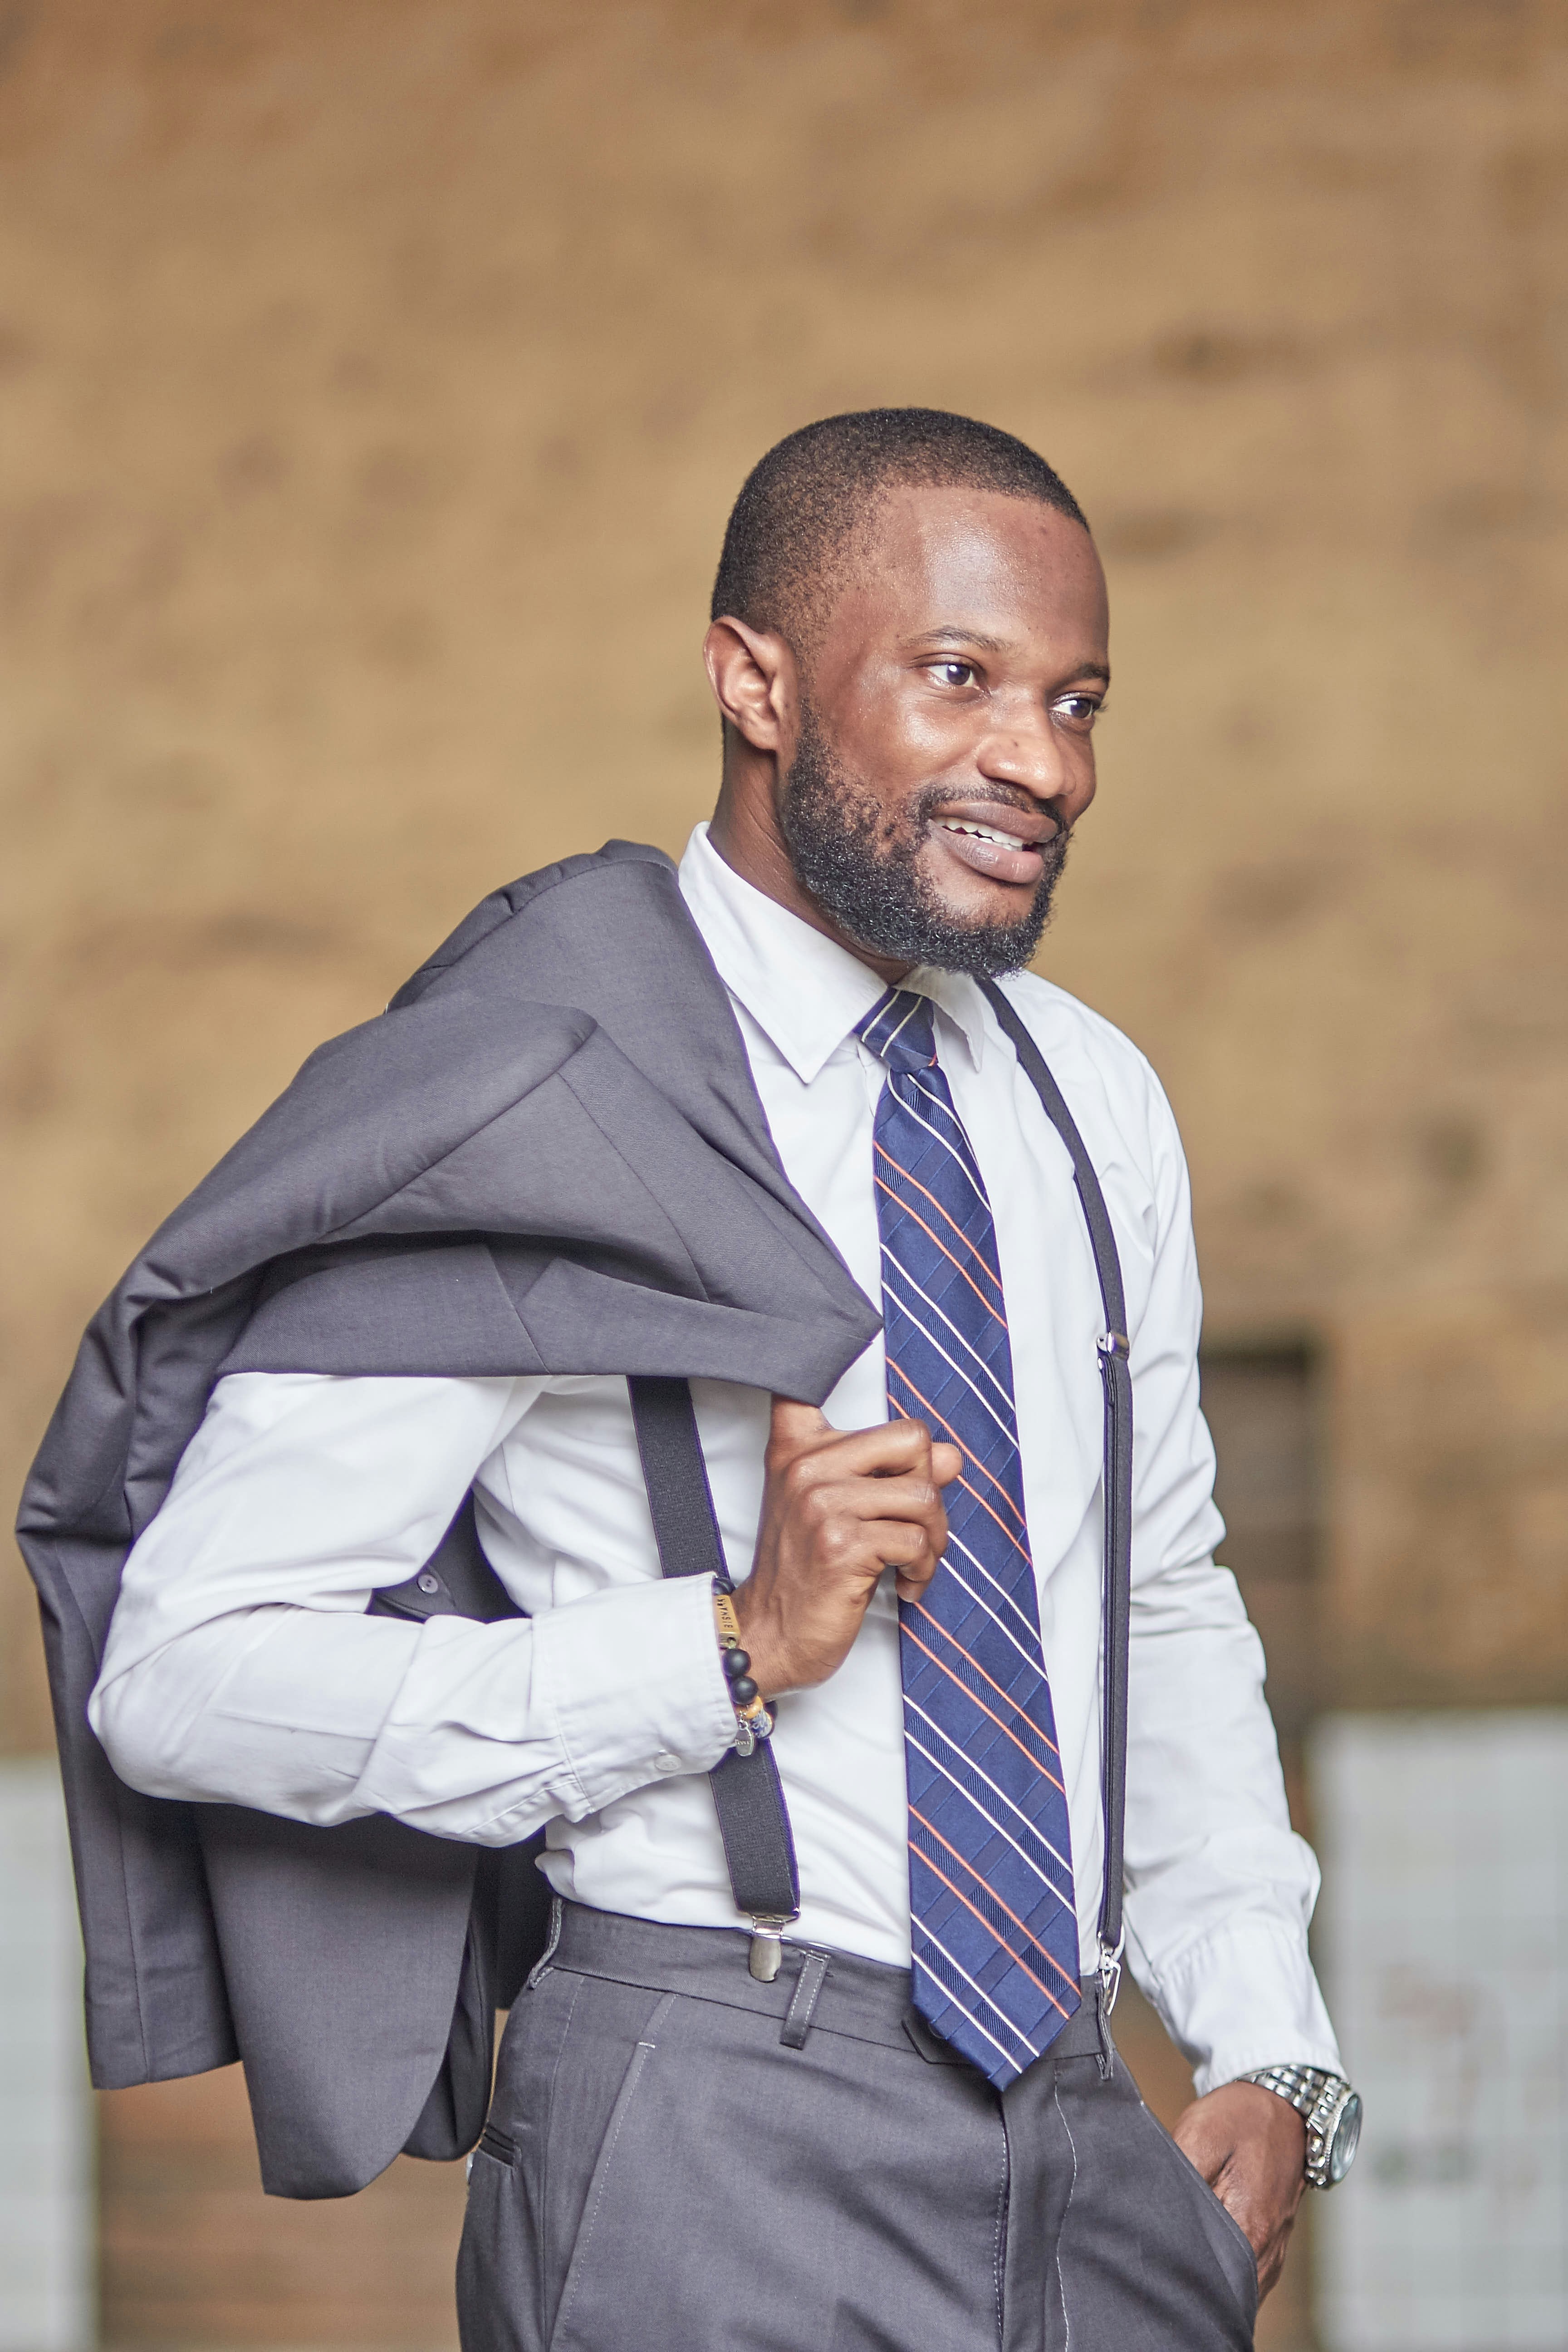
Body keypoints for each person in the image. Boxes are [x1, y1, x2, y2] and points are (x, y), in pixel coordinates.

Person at [47, 409, 1356, 2349]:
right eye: (960, 677)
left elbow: (1157, 1596)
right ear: (754, 680)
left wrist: (1269, 2039)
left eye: (1078, 700)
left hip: (1083, 2129)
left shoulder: (1091, 1102)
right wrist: (726, 1641)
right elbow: (182, 1670)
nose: (1043, 761)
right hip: (708, 2111)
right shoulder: (532, 1083)